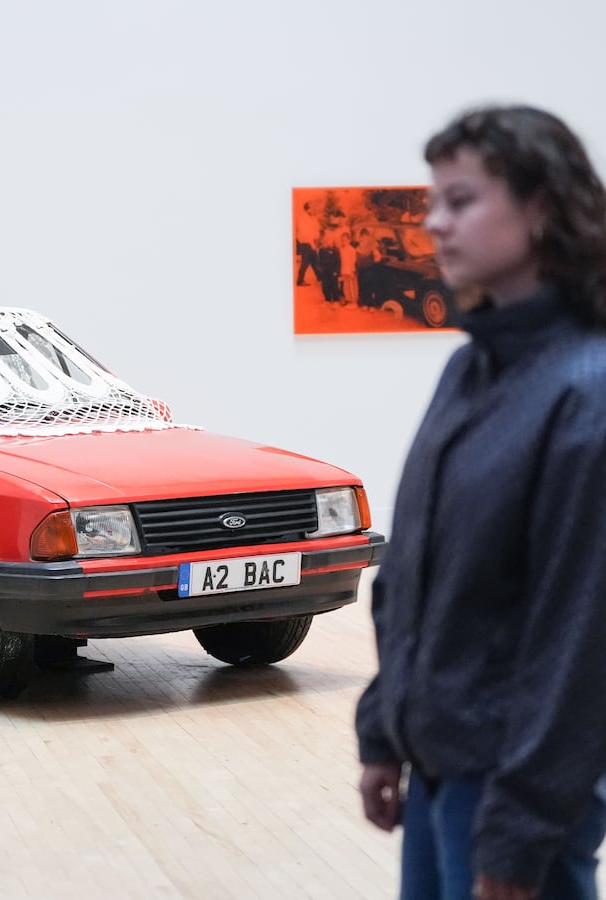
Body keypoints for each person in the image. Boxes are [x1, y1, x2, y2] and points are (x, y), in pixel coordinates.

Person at [355, 105, 606, 899]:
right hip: (437, 769)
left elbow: (579, 642)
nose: (433, 224)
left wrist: (518, 833)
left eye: (460, 201)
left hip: (512, 792)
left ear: (541, 206)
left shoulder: (587, 391)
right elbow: (413, 570)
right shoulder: (468, 371)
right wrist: (382, 728)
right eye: (433, 202)